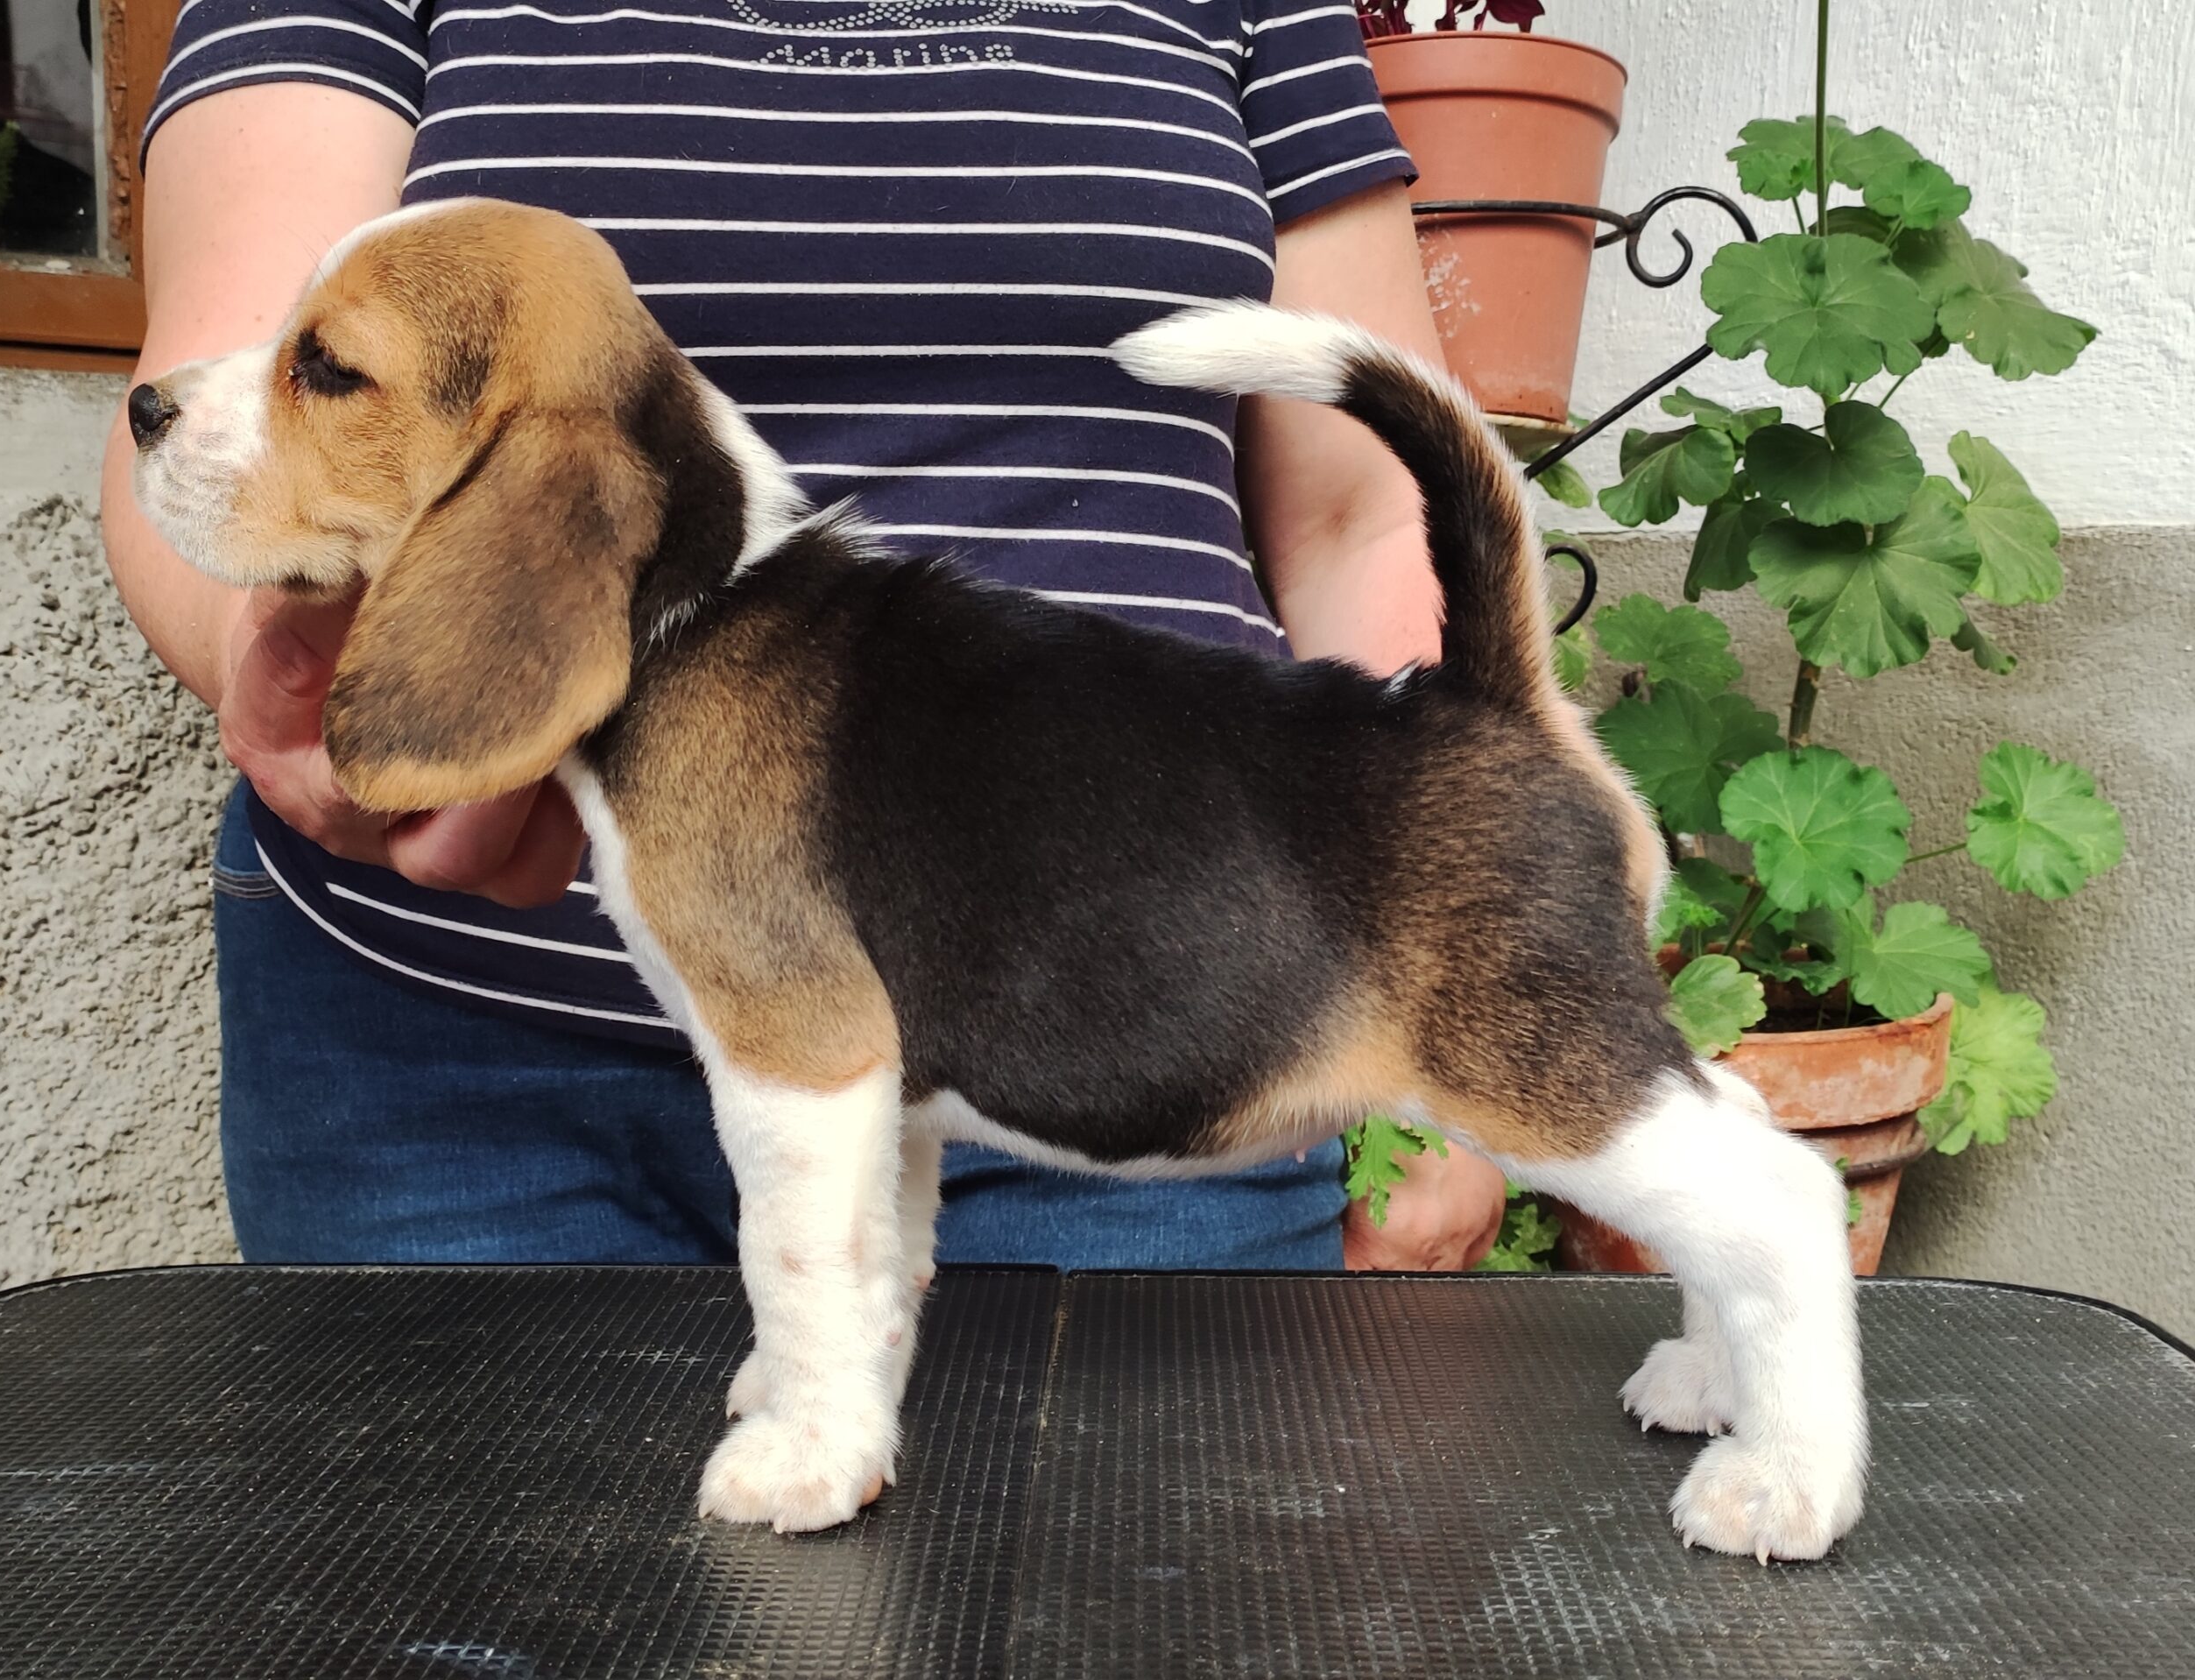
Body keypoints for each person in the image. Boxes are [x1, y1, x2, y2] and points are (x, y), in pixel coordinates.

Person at [103, 0, 1507, 1273]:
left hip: (1143, 1011)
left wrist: (1443, 983)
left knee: (1146, 1495)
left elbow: (1362, 518)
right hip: (466, 1068)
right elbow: (219, 410)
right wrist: (296, 672)